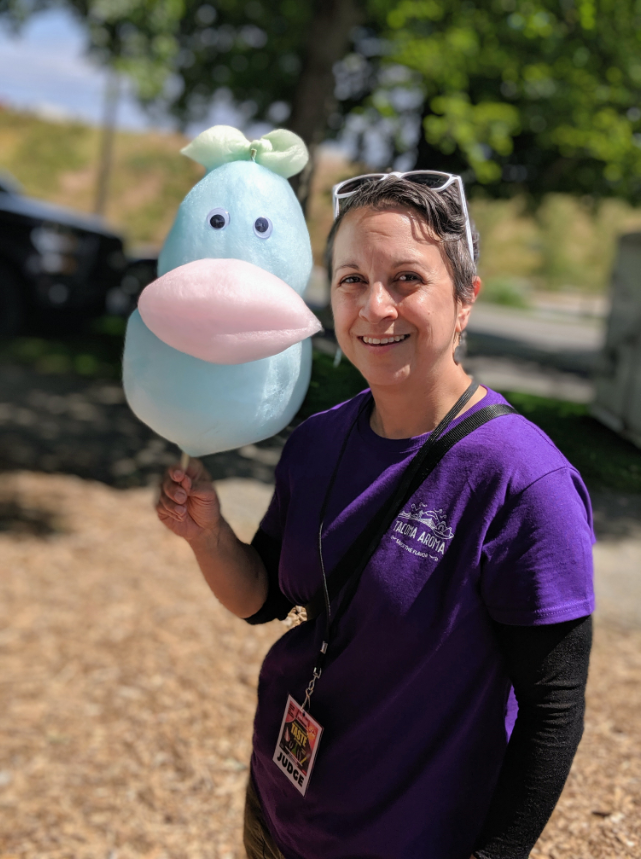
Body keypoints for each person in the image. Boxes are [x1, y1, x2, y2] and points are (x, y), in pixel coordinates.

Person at [156, 171, 595, 859]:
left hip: (409, 838)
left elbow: (552, 713)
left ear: (465, 299)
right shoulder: (317, 441)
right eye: (352, 279)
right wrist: (208, 535)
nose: (374, 307)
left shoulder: (523, 480)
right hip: (278, 809)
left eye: (407, 279)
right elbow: (264, 597)